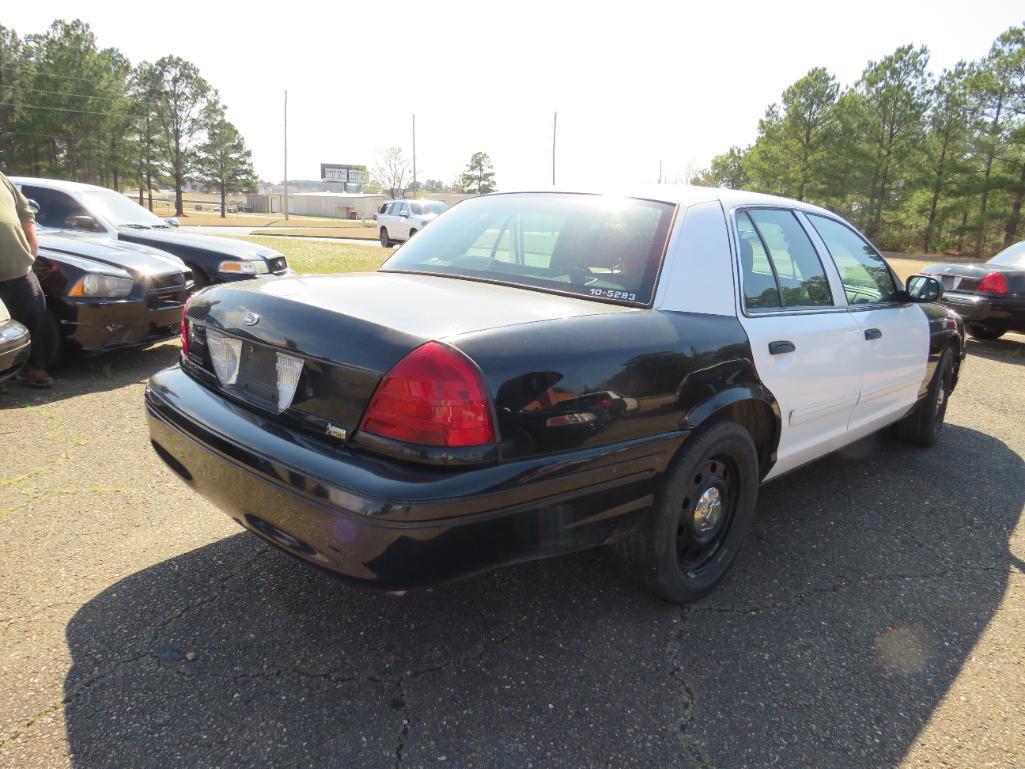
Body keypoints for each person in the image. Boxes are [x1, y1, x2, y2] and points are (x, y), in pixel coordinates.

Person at [0, 170, 52, 387]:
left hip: (20, 269)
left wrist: (32, 241)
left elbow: (25, 210)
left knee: (34, 317)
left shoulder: (2, 178)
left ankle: (34, 368)